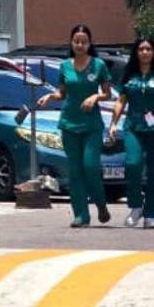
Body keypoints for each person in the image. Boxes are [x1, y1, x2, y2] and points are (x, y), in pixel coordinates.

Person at [37, 24, 113, 227]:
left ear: (89, 43)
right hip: (69, 124)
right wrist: (50, 96)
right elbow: (62, 92)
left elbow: (108, 93)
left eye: (84, 41)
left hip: (91, 126)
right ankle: (81, 215)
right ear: (71, 43)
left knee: (90, 167)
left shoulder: (98, 65)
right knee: (75, 171)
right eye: (76, 41)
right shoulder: (65, 66)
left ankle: (101, 205)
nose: (80, 45)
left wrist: (95, 96)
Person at [108, 36, 154, 229]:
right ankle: (135, 206)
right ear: (136, 53)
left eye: (148, 49)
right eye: (141, 49)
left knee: (153, 172)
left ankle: (150, 212)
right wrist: (113, 124)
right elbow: (120, 101)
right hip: (133, 127)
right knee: (132, 164)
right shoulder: (129, 75)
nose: (145, 52)